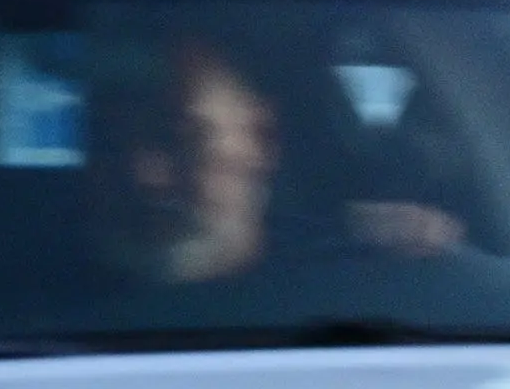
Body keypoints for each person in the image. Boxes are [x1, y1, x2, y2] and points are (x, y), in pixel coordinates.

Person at [85, 31, 462, 288]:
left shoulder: (370, 292)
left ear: (263, 140)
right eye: (107, 141)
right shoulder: (31, 291)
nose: (142, 175)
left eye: (180, 139)